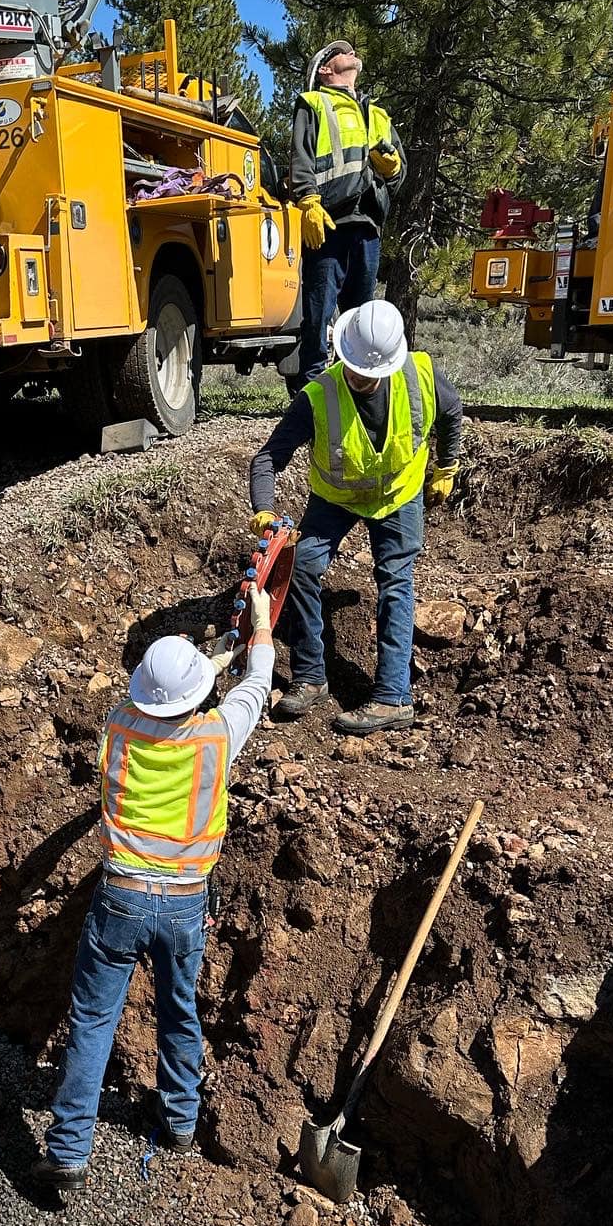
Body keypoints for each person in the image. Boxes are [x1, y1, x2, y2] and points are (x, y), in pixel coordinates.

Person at [35, 592, 275, 1188]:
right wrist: (261, 624)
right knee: (179, 1010)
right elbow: (258, 680)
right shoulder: (219, 736)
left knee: (93, 1022)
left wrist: (211, 654)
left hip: (120, 895)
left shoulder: (118, 725)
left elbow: (172, 696)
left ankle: (67, 1155)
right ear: (198, 696)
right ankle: (180, 1122)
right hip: (185, 901)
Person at [250, 297, 463, 735]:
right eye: (351, 366)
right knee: (303, 567)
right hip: (337, 500)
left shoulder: (421, 375)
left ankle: (392, 697)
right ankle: (311, 676)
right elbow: (268, 458)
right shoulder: (318, 396)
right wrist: (265, 509)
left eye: (368, 372)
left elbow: (452, 412)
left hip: (399, 494)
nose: (358, 376)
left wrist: (447, 465)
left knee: (395, 582)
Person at [291, 39, 405, 383]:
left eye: (354, 50)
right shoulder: (314, 104)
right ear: (325, 70)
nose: (352, 52)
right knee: (318, 313)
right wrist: (307, 200)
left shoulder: (379, 116)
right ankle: (310, 391)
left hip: (368, 226)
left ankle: (354, 385)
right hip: (328, 224)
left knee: (360, 318)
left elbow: (399, 176)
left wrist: (393, 169)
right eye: (342, 52)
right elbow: (301, 157)